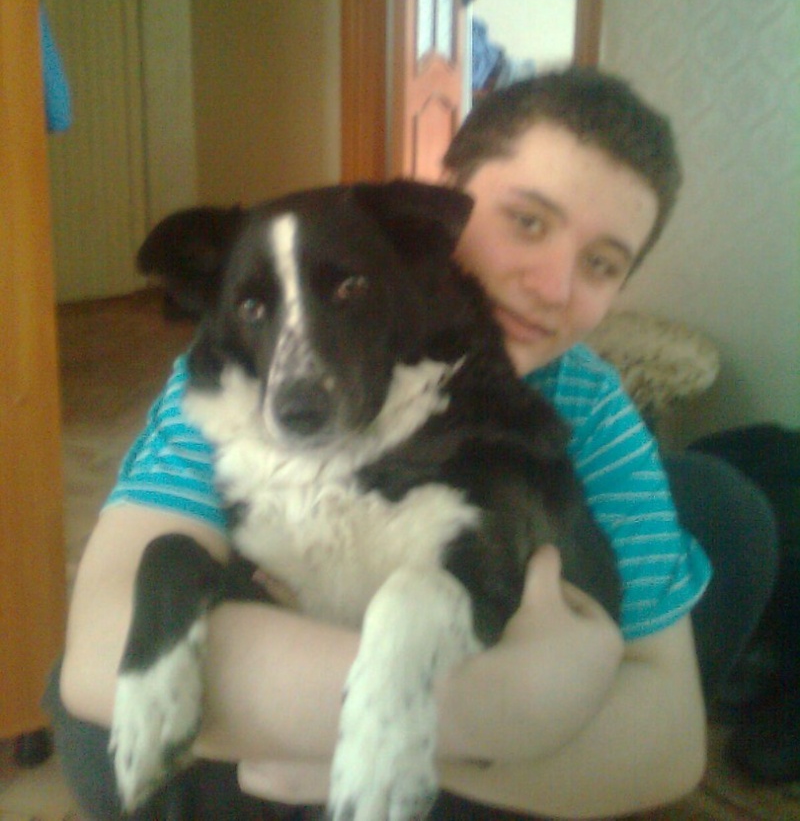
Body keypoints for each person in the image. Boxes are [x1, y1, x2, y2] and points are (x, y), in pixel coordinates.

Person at [48, 68, 778, 820]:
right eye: (528, 222)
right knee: (99, 723)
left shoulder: (587, 399)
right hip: (357, 741)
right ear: (441, 207)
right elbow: (97, 659)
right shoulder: (241, 385)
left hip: (390, 738)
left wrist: (382, 747)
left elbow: (670, 748)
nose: (553, 286)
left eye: (601, 263)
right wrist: (493, 709)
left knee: (722, 506)